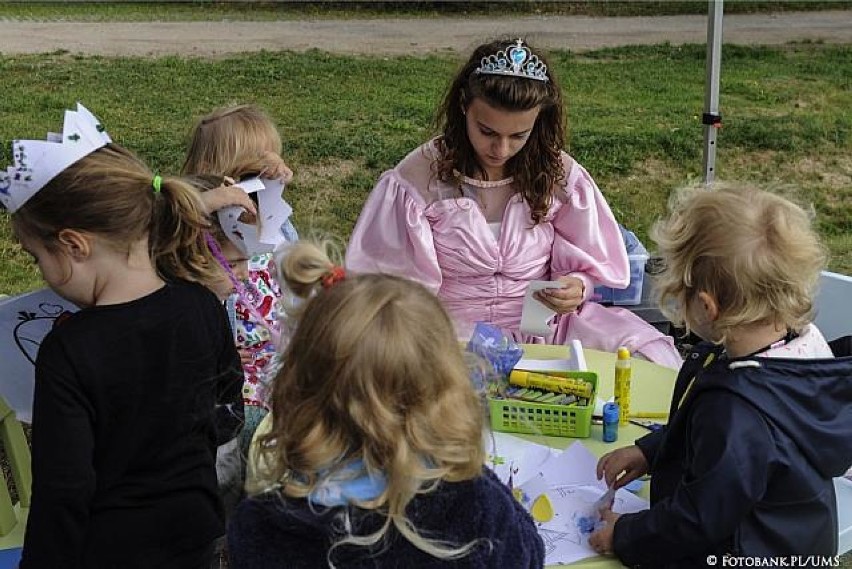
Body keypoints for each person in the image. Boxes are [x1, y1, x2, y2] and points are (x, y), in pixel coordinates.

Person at [0, 104, 243, 568]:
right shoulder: (200, 306)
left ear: (74, 245)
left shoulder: (68, 351)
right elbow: (227, 411)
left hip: (111, 550)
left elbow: (63, 491)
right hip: (198, 537)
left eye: (37, 257)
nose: (42, 273)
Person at [346, 38, 681, 368]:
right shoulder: (418, 179)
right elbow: (391, 290)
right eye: (487, 131)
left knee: (647, 358)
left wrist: (579, 287)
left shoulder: (557, 174)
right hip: (448, 338)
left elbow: (588, 260)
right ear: (463, 106)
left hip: (549, 332)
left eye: (518, 135)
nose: (501, 150)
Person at [227, 241, 545, 568]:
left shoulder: (260, 525)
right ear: (446, 391)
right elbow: (529, 554)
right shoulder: (475, 507)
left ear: (299, 386)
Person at [589, 183, 852, 565]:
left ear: (707, 306)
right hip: (798, 537)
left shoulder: (736, 410)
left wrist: (625, 533)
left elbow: (698, 519)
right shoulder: (797, 350)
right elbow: (728, 457)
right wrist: (651, 450)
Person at [182, 103, 299, 242]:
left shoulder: (276, 223)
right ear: (207, 171)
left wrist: (276, 185)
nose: (272, 171)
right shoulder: (200, 228)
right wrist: (204, 204)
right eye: (253, 172)